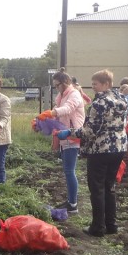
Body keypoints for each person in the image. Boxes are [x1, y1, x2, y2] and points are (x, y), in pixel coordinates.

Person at [56, 69, 128, 237]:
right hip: (119, 148)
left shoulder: (99, 103)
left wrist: (69, 132)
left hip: (100, 149)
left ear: (106, 84)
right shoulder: (122, 99)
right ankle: (111, 224)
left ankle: (98, 227)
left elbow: (90, 130)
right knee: (109, 186)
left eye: (95, 84)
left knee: (97, 188)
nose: (93, 87)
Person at [40, 70, 86, 213]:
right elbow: (58, 111)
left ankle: (73, 204)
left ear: (65, 82)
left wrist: (52, 112)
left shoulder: (74, 94)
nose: (56, 88)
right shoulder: (61, 96)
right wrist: (42, 120)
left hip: (72, 135)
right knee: (67, 171)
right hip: (64, 135)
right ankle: (71, 201)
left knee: (69, 170)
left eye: (57, 85)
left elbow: (67, 109)